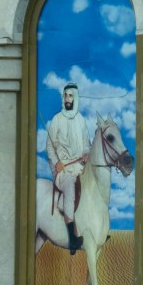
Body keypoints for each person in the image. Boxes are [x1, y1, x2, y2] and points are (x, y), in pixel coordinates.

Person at [45, 82, 90, 254]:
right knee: (70, 186)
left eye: (70, 96)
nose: (67, 99)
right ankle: (72, 240)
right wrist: (56, 162)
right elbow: (49, 146)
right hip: (63, 170)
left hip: (80, 166)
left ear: (75, 98)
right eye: (65, 95)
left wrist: (86, 154)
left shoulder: (81, 120)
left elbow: (86, 145)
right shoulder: (57, 119)